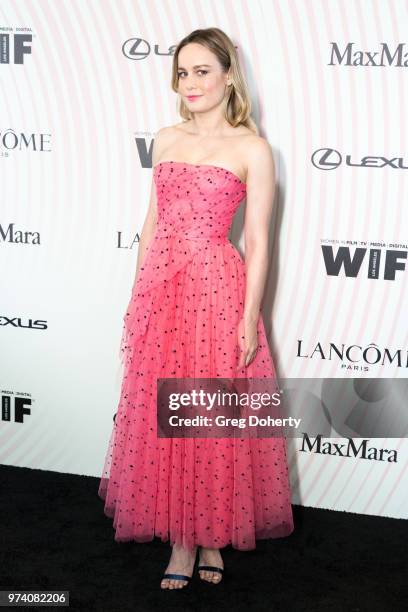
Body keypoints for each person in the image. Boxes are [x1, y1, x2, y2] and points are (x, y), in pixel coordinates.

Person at [98, 27, 294, 591]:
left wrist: (248, 315)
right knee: (164, 413)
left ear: (229, 74)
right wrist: (139, 294)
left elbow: (258, 241)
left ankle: (211, 534)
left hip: (217, 287)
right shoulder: (165, 139)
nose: (190, 83)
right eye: (183, 72)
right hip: (164, 291)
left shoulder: (252, 149)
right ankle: (182, 544)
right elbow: (151, 225)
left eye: (202, 70)